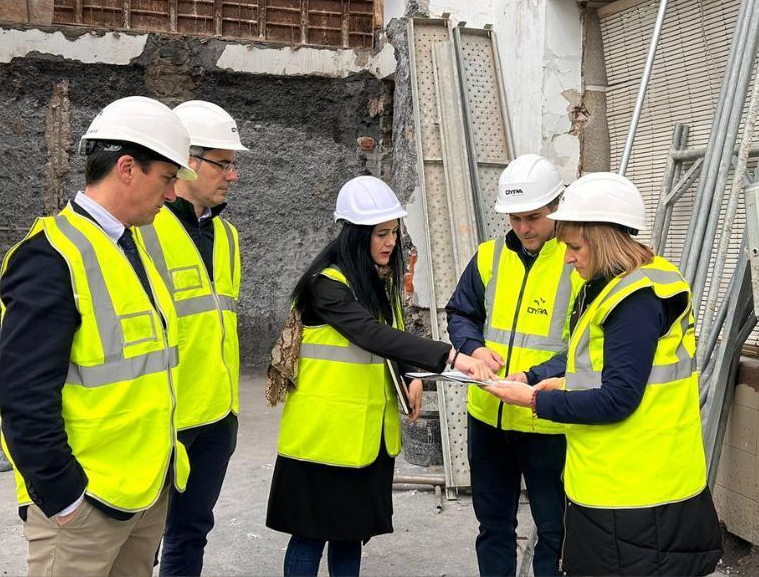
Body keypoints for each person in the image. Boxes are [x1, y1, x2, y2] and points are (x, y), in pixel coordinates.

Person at [484, 172, 723, 576]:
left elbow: (618, 398)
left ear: (604, 239)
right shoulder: (614, 285)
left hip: (637, 497)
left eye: (575, 247)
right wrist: (555, 380)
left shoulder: (635, 300)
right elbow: (606, 368)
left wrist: (536, 401)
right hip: (623, 487)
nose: (568, 258)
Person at [0, 96, 195, 577]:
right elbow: (22, 397)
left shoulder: (132, 246)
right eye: (167, 179)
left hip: (145, 491)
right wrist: (63, 498)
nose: (172, 196)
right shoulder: (50, 258)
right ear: (128, 168)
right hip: (85, 505)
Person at [266, 175, 494, 577]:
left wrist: (413, 375)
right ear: (355, 235)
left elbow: (393, 340)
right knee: (309, 534)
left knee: (350, 533)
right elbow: (372, 334)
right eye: (380, 234)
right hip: (323, 437)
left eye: (394, 232)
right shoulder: (326, 287)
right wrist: (450, 357)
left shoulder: (377, 282)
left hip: (366, 436)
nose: (390, 242)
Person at [445, 153, 576, 576]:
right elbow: (461, 313)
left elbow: (586, 345)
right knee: (493, 524)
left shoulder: (577, 262)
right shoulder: (489, 256)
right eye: (515, 218)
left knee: (555, 530)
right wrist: (473, 348)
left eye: (534, 217)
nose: (523, 228)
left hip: (547, 421)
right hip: (488, 417)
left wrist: (534, 377)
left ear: (557, 205)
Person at [137, 100, 247, 577]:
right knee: (138, 541)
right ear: (187, 162)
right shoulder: (142, 231)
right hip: (163, 418)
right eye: (223, 163)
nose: (233, 175)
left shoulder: (228, 237)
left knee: (190, 532)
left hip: (216, 417)